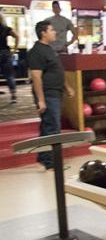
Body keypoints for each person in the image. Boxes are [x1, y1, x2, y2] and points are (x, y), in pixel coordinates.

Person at [27, 21, 75, 170]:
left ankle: (44, 157)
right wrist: (41, 100)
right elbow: (36, 76)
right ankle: (51, 162)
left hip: (55, 93)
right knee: (53, 128)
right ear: (43, 33)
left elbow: (57, 70)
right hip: (47, 95)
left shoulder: (49, 49)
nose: (55, 32)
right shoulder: (36, 51)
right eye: (51, 30)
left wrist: (67, 87)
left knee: (48, 126)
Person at [0, 13, 19, 103]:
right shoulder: (6, 28)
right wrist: (14, 50)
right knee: (9, 75)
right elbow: (17, 36)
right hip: (5, 53)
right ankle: (13, 95)